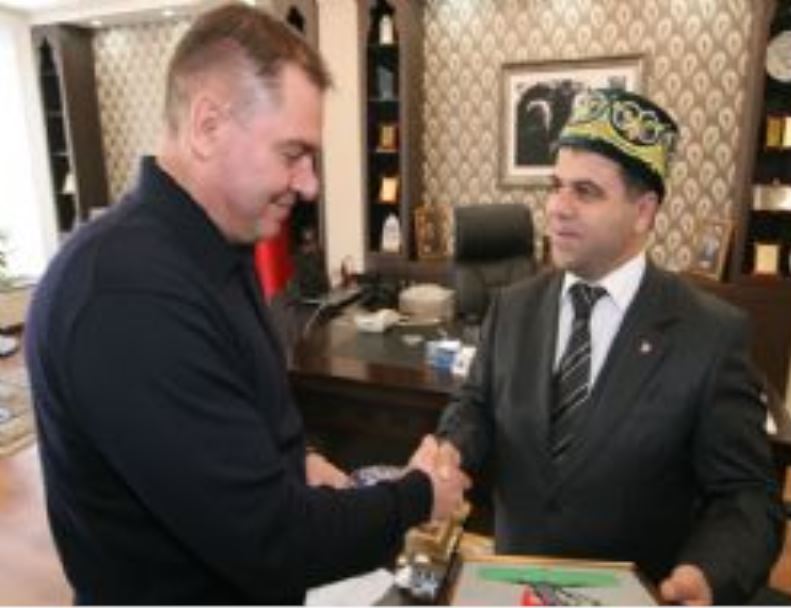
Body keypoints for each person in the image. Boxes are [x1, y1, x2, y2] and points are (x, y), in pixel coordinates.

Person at [25, 5, 468, 604]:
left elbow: (236, 413)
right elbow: (271, 540)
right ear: (208, 126)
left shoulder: (212, 253)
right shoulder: (127, 295)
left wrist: (299, 462)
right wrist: (417, 496)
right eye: (292, 154)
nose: (310, 184)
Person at [435, 88, 784, 605]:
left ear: (643, 212)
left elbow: (747, 498)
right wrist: (453, 447)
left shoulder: (710, 335)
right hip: (516, 591)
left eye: (586, 192)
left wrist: (708, 573)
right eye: (556, 186)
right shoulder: (511, 307)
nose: (558, 208)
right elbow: (477, 406)